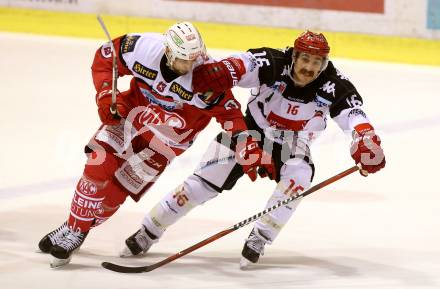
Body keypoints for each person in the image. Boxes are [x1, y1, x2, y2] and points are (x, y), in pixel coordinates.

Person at [119, 30, 386, 268]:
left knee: (299, 178)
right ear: (294, 56)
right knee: (199, 185)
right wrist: (225, 69)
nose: (309, 68)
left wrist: (365, 138)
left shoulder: (334, 83)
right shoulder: (273, 62)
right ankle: (148, 230)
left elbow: (354, 114)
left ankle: (261, 236)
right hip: (248, 131)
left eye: (317, 62)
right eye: (305, 59)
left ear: (324, 64)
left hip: (294, 143)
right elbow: (245, 63)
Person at [37, 22, 275, 268]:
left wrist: (246, 146)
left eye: (195, 58)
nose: (191, 65)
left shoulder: (207, 75)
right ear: (168, 52)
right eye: (184, 60)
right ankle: (76, 232)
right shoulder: (143, 49)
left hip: (166, 143)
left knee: (116, 193)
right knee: (99, 164)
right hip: (130, 116)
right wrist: (106, 95)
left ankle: (73, 225)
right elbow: (105, 57)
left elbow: (230, 114)